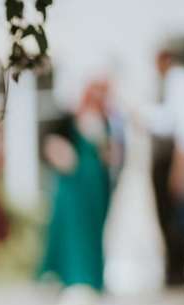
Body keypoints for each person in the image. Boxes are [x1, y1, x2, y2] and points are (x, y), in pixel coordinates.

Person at [39, 79, 117, 290]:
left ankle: (92, 277)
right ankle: (72, 275)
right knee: (73, 229)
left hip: (96, 185)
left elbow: (108, 152)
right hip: (74, 184)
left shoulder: (106, 120)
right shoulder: (70, 118)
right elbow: (51, 143)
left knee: (93, 230)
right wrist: (63, 157)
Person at [148, 45, 184, 287]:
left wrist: (180, 171)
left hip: (177, 159)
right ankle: (175, 273)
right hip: (180, 158)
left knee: (176, 221)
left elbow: (180, 126)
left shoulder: (177, 81)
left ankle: (177, 275)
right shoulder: (182, 81)